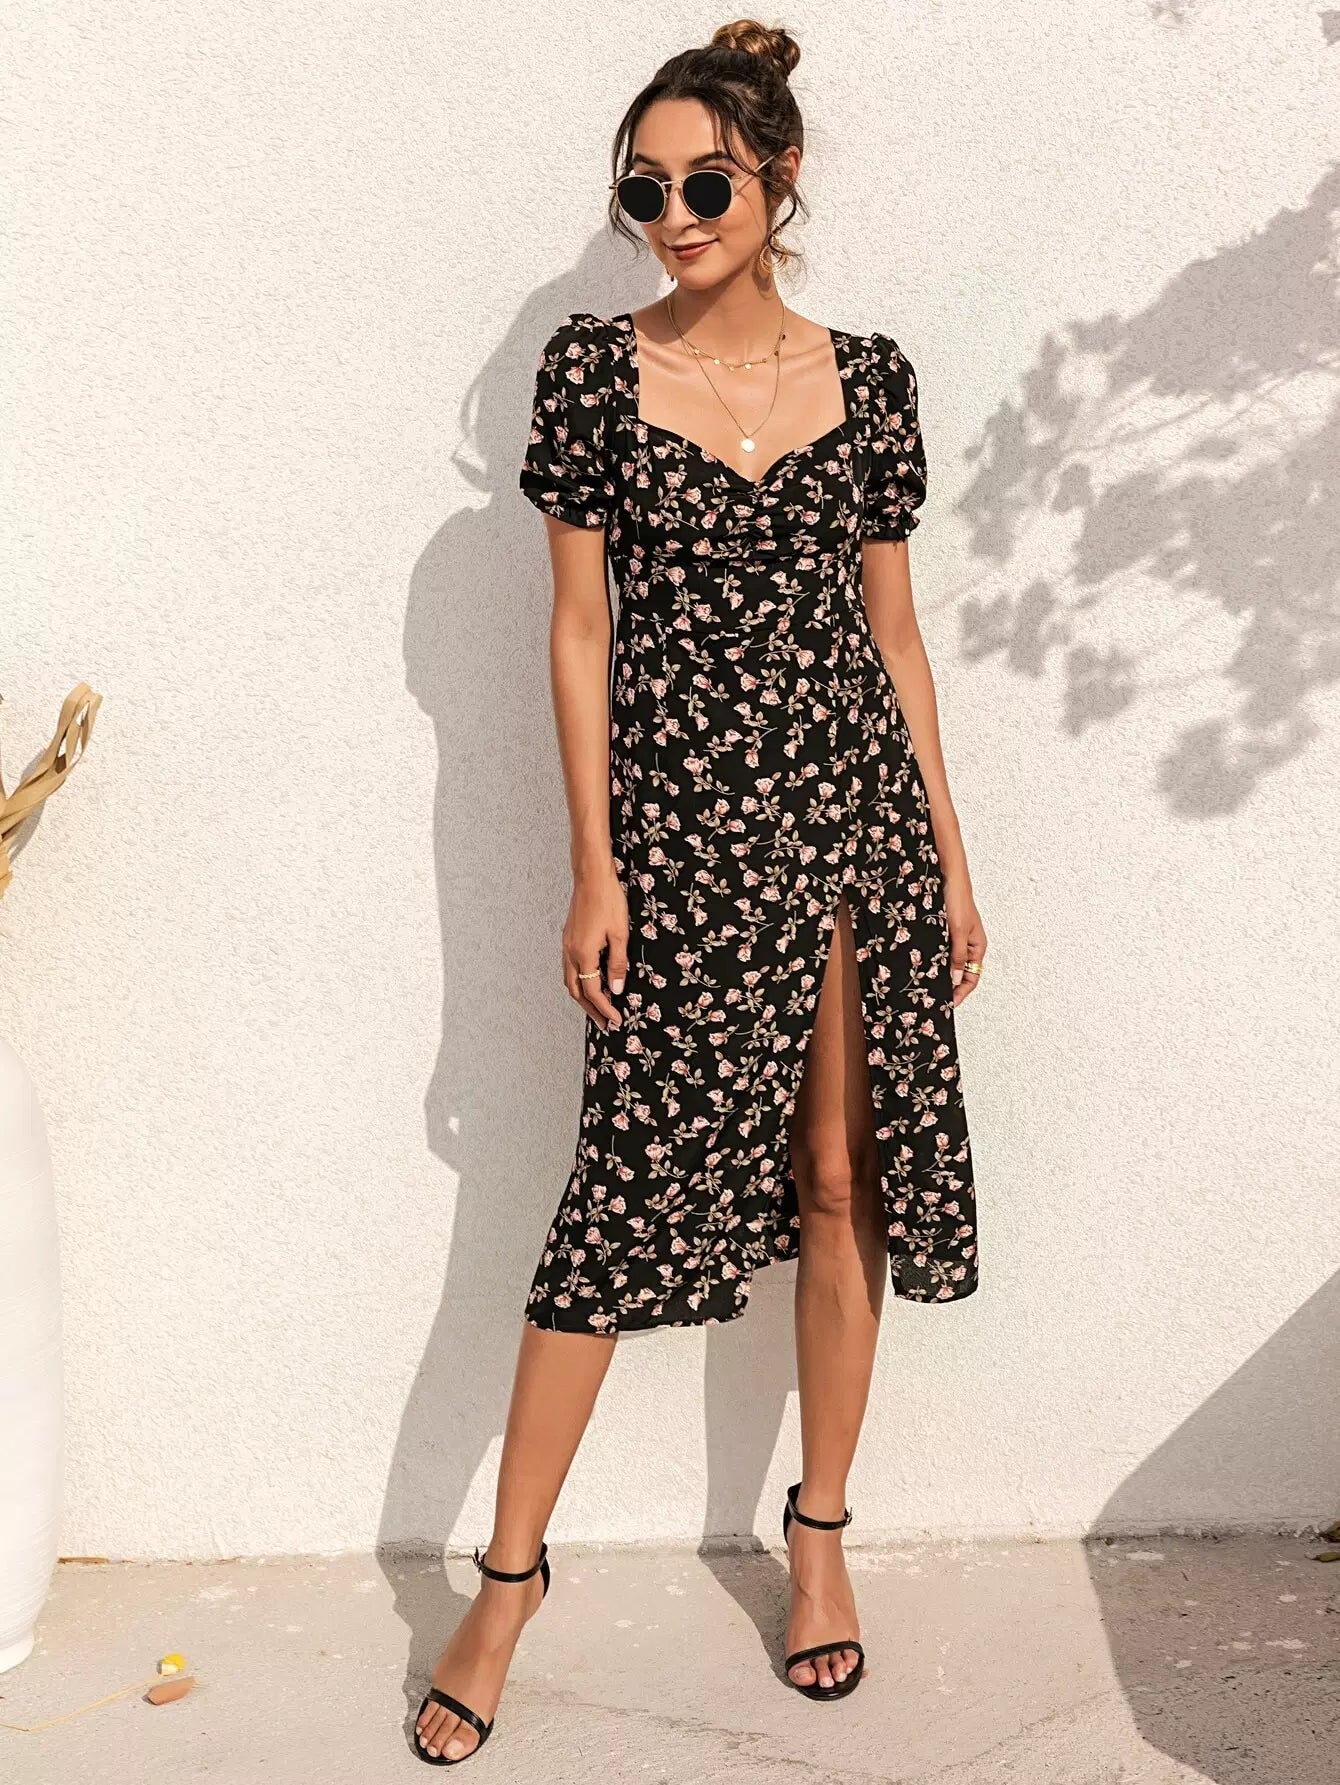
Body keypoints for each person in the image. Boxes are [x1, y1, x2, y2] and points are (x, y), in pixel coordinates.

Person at [414, 17, 987, 1767]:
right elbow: (579, 634)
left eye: (705, 185)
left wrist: (952, 855)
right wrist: (595, 869)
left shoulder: (870, 378)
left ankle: (818, 1536)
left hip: (854, 830)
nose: (671, 217)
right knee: (615, 1202)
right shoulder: (595, 376)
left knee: (842, 1179)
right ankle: (507, 1579)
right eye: (643, 191)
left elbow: (896, 636)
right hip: (679, 844)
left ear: (779, 178)